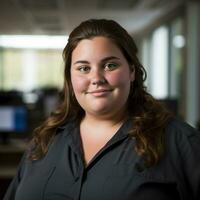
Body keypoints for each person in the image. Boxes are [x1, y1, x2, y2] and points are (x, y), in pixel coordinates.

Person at [3, 19, 200, 200]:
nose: (96, 78)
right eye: (83, 68)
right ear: (70, 79)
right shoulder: (44, 140)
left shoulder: (180, 142)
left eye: (110, 65)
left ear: (132, 71)